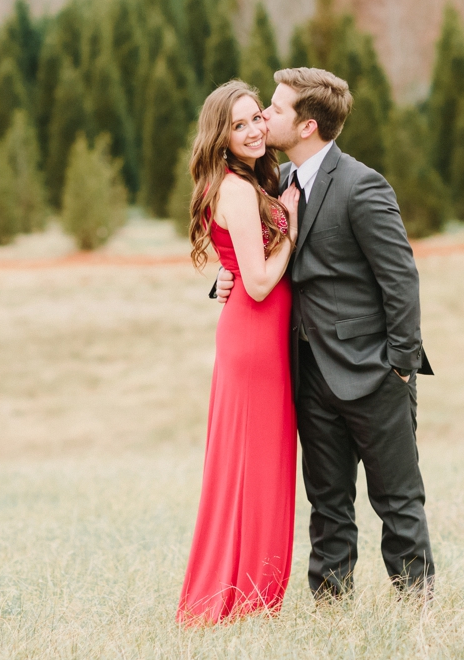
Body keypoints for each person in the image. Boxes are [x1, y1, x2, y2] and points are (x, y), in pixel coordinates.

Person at [215, 67, 435, 600]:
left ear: (307, 125)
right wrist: (227, 278)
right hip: (307, 376)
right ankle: (331, 611)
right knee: (328, 505)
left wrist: (400, 364)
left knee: (397, 501)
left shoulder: (362, 186)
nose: (265, 115)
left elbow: (400, 277)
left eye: (276, 107)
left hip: (374, 373)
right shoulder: (279, 184)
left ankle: (417, 609)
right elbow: (257, 257)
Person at [177, 80, 302, 625]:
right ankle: (240, 598)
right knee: (252, 467)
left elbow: (232, 264)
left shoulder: (246, 181)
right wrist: (292, 230)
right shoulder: (234, 188)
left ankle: (250, 594)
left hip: (256, 336)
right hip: (255, 336)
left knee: (258, 465)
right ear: (221, 137)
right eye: (239, 125)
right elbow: (256, 282)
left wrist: (226, 275)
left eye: (257, 118)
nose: (253, 131)